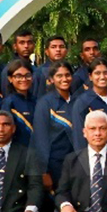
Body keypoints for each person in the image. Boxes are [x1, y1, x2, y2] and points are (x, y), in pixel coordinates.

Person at [31, 61, 75, 191]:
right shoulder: (45, 103)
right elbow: (40, 139)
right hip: (55, 163)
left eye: (67, 75)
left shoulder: (78, 100)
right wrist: (44, 171)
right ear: (51, 79)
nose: (64, 79)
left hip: (77, 162)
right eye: (59, 76)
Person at [71, 58, 107, 149]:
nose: (102, 77)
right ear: (90, 76)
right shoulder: (82, 102)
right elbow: (79, 136)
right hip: (93, 157)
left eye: (105, 73)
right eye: (97, 73)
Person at [1, 60, 36, 147]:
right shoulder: (9, 103)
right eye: (18, 76)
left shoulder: (37, 101)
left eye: (27, 75)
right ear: (10, 79)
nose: (24, 79)